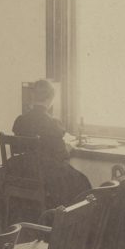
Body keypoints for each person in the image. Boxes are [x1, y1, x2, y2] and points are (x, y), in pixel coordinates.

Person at [12, 78, 91, 209]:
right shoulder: (53, 123)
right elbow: (62, 156)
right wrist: (68, 147)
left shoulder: (20, 120)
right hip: (46, 176)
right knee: (82, 182)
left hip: (23, 172)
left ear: (33, 96)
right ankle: (69, 224)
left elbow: (18, 148)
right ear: (51, 98)